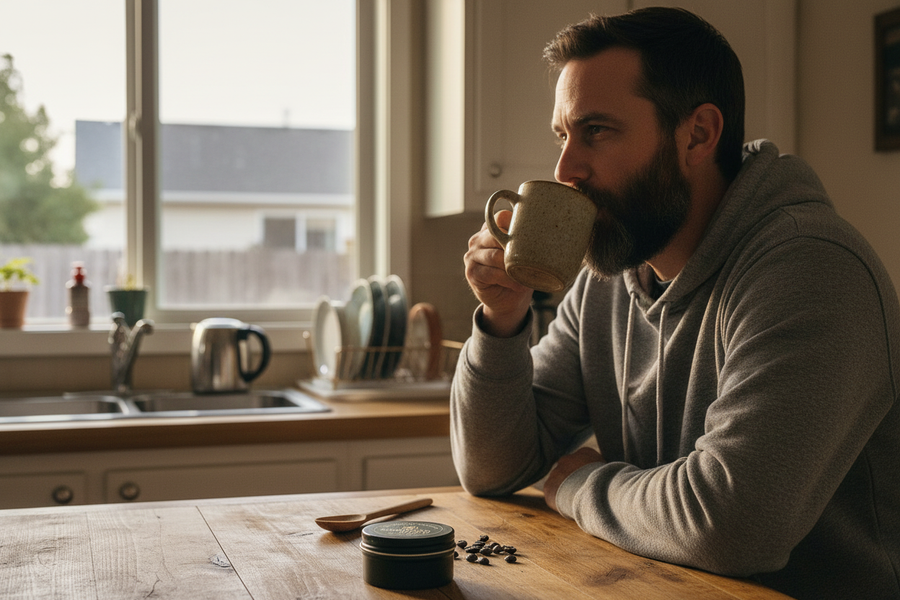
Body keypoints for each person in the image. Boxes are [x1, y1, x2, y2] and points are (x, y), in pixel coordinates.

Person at [450, 7, 900, 599]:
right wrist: (502, 320)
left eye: (597, 131)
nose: (566, 168)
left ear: (698, 134)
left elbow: (730, 525)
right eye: (564, 134)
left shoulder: (810, 268)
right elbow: (492, 469)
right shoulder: (612, 272)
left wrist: (582, 485)